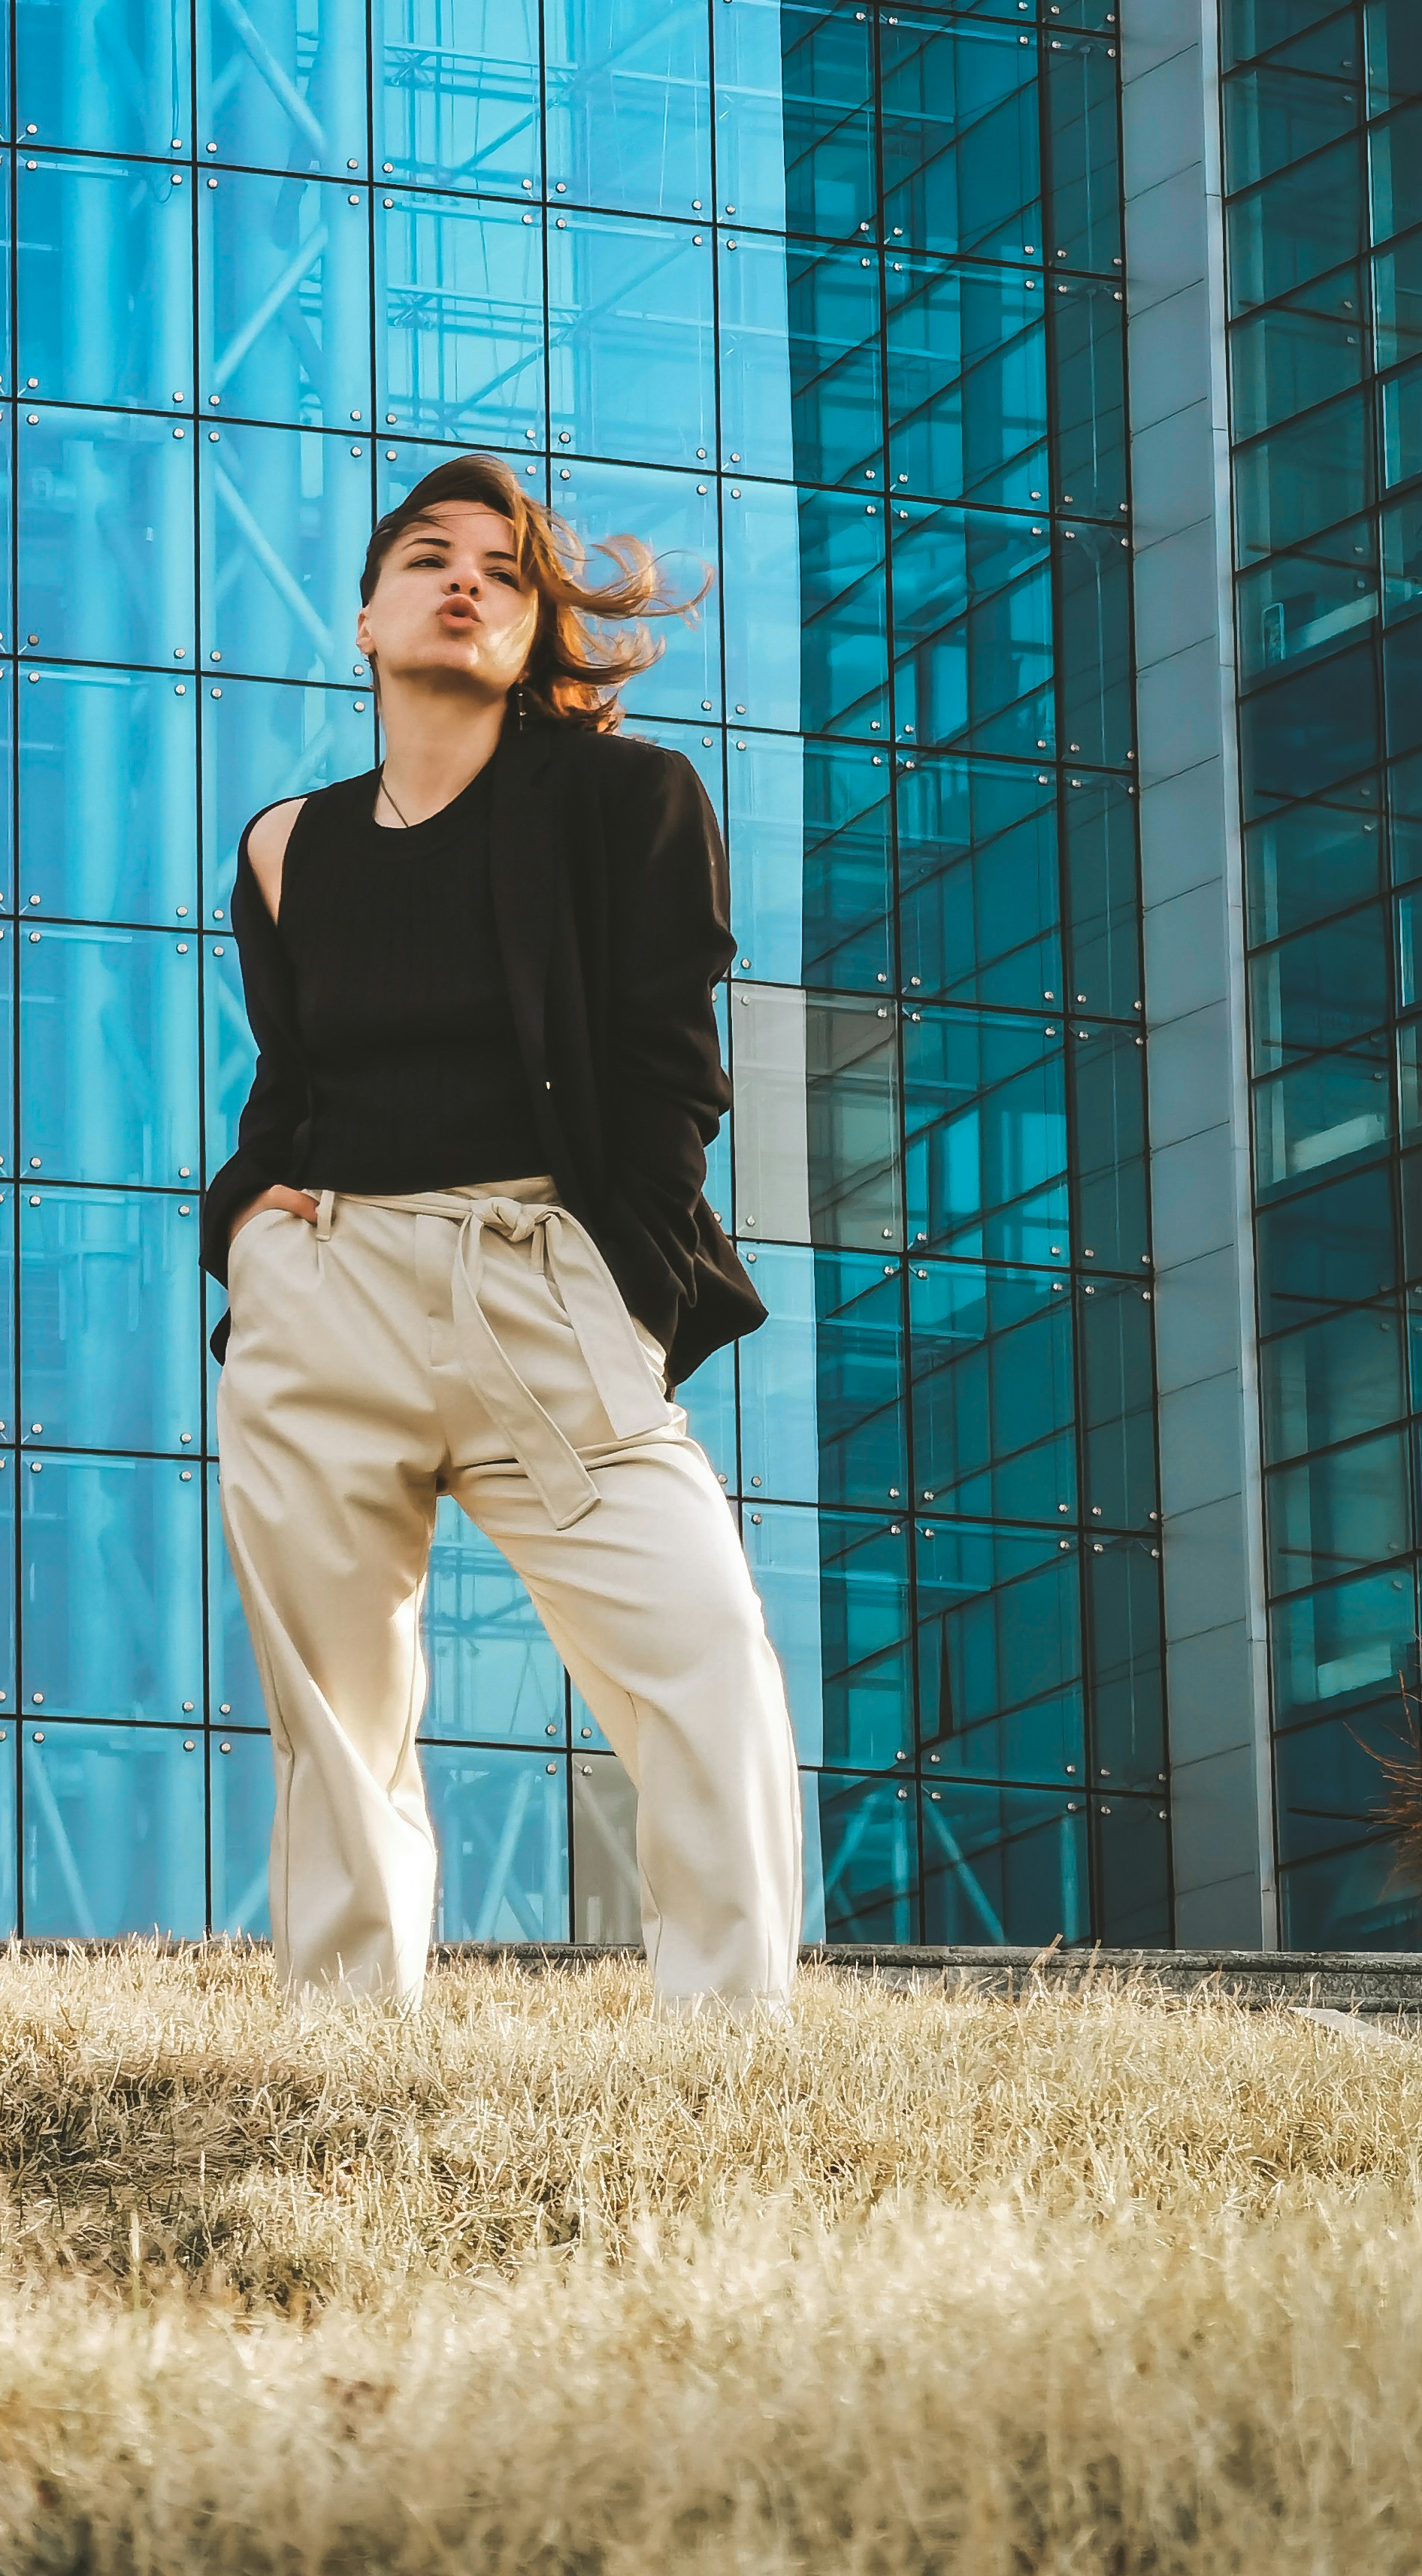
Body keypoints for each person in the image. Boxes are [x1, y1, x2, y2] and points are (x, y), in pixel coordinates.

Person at [200, 452, 803, 2009]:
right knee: (338, 1708)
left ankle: (730, 2046)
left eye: (507, 569)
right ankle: (346, 2052)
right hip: (324, 1294)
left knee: (702, 1654)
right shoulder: (286, 845)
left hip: (539, 1282)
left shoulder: (628, 801)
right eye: (427, 556)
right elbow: (292, 1089)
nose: (465, 580)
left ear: (538, 631)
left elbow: (675, 1070)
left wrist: (628, 1289)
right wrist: (247, 1231)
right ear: (363, 618)